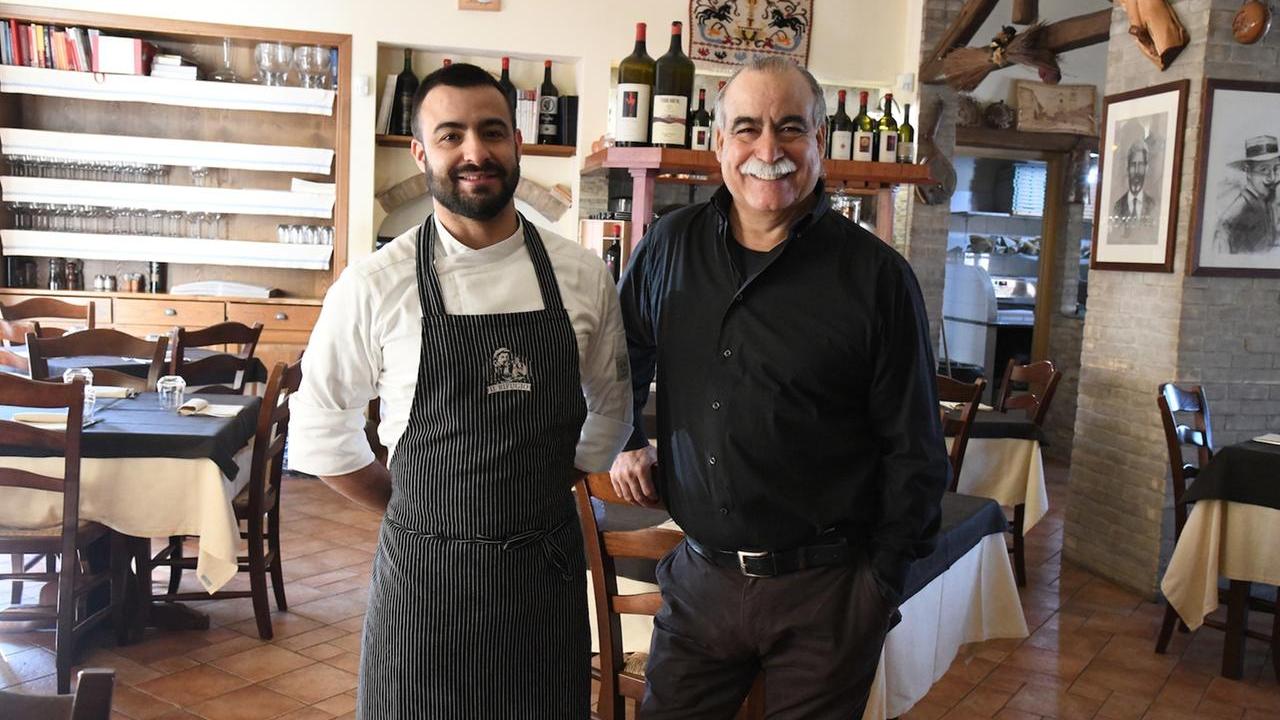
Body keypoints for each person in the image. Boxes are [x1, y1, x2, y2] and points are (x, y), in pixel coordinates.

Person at [289, 63, 633, 718]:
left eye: (492, 131)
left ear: (517, 143)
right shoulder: (374, 285)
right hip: (424, 583)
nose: (476, 151)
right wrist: (415, 508)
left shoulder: (582, 276)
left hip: (543, 574)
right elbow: (320, 433)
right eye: (451, 135)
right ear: (421, 152)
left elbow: (611, 410)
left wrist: (540, 489)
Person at [610, 57, 948, 719]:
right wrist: (626, 439)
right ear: (719, 142)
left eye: (790, 128)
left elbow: (916, 449)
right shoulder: (670, 245)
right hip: (699, 581)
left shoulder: (877, 277)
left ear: (820, 140)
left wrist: (877, 587)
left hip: (827, 595)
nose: (769, 150)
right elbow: (617, 355)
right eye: (748, 128)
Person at [1214, 134, 1280, 254]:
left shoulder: (1268, 203)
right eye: (1264, 170)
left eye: (1276, 169)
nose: (1272, 177)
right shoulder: (1235, 215)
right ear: (1248, 171)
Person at [1112, 140, 1157, 223]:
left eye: (1140, 165)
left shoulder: (1153, 206)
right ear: (1128, 168)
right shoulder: (1118, 207)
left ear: (1146, 168)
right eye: (1133, 165)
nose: (1136, 171)